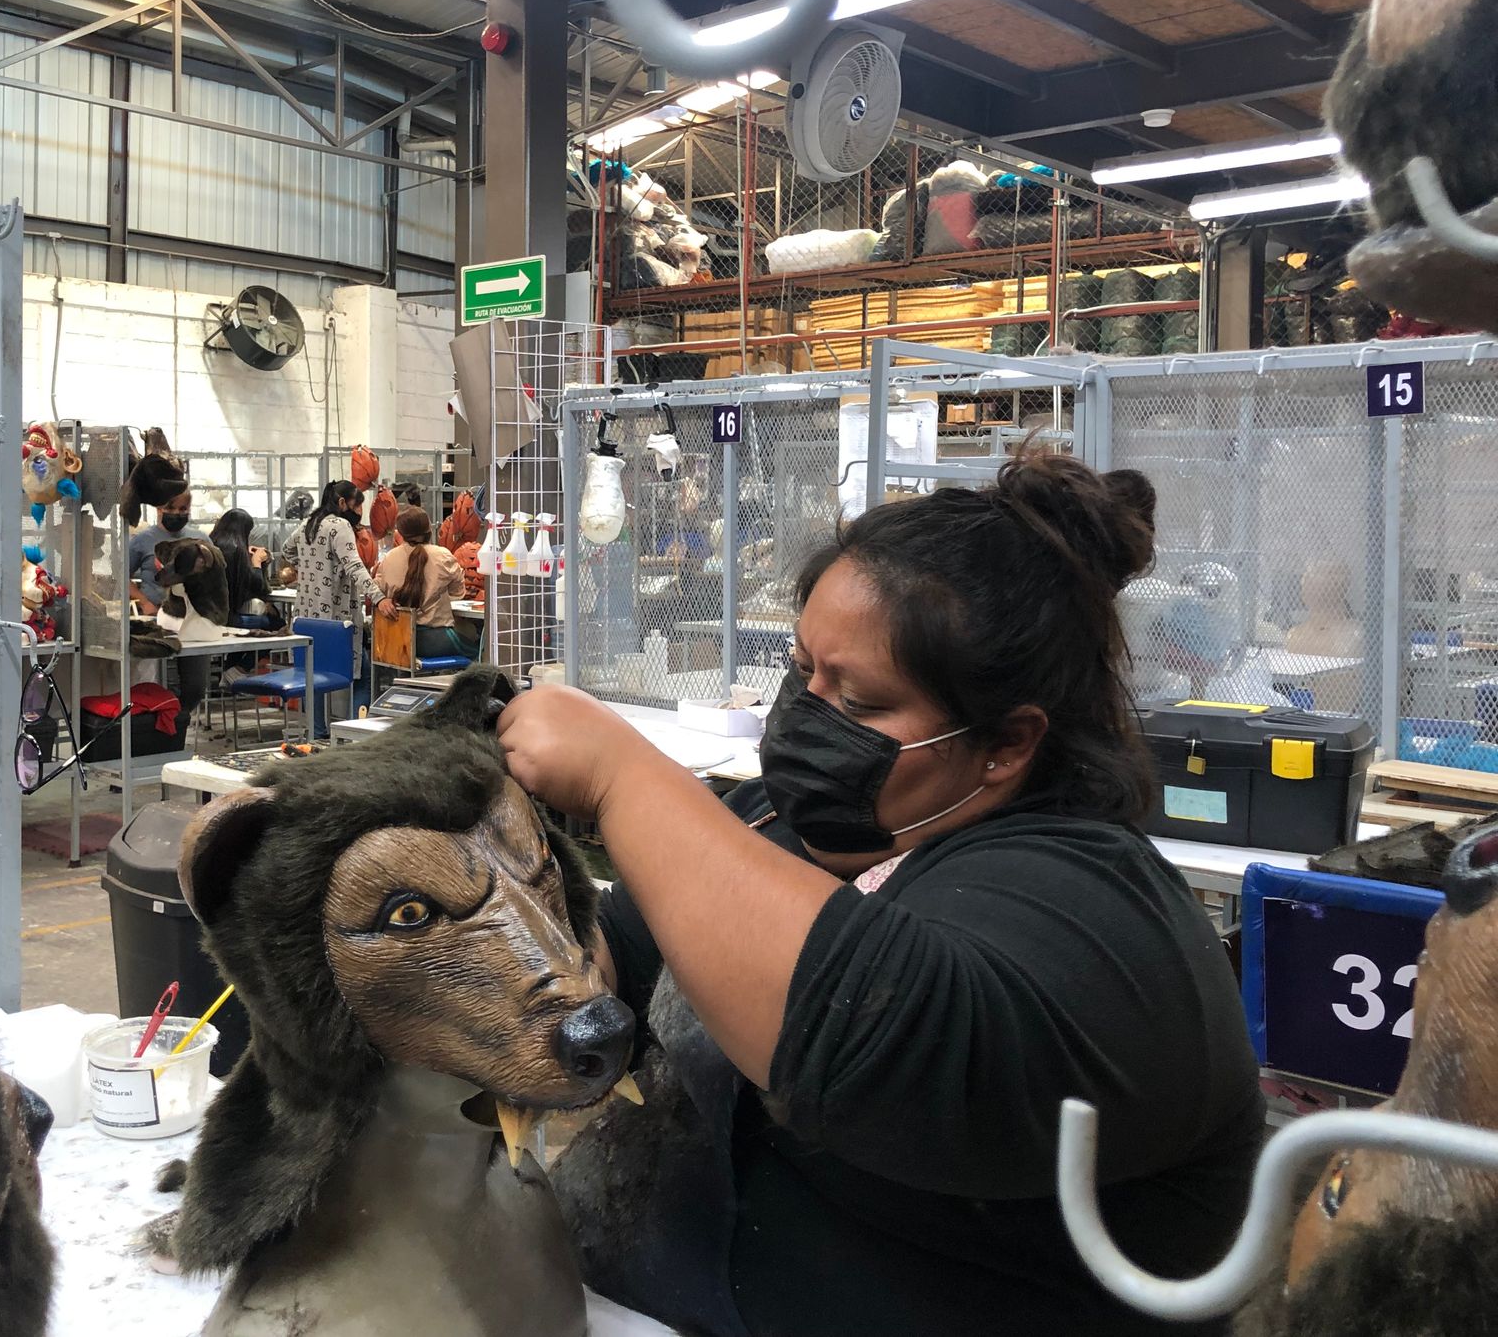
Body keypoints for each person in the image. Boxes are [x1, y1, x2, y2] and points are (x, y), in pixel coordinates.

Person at [498, 452, 1262, 1337]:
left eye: (857, 702)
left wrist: (624, 779)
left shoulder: (1101, 915)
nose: (805, 713)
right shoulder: (782, 821)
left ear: (1007, 743)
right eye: (803, 672)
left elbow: (871, 1030)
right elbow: (609, 966)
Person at [282, 481, 397, 733]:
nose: (360, 512)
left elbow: (286, 550)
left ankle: (317, 732)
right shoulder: (340, 526)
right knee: (363, 676)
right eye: (358, 505)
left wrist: (310, 567)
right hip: (336, 617)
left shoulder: (308, 524)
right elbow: (355, 566)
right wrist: (379, 598)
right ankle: (355, 731)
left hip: (307, 616)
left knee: (312, 674)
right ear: (343, 503)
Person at [126, 486, 208, 722]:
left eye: (183, 508)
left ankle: (176, 721)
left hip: (193, 621)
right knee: (156, 683)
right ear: (159, 508)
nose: (177, 513)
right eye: (171, 508)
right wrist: (143, 601)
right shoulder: (142, 541)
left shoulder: (201, 539)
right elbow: (120, 576)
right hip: (156, 622)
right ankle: (162, 727)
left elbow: (214, 577)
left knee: (195, 685)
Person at [372, 507, 475, 662]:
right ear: (429, 530)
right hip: (436, 640)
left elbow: (378, 590)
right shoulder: (443, 555)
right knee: (480, 647)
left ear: (401, 533)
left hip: (399, 641)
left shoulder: (389, 558)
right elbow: (458, 593)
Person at [208, 508, 279, 630]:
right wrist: (257, 561)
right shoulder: (235, 551)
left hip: (209, 615)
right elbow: (259, 588)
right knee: (277, 622)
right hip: (227, 619)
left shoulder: (212, 544)